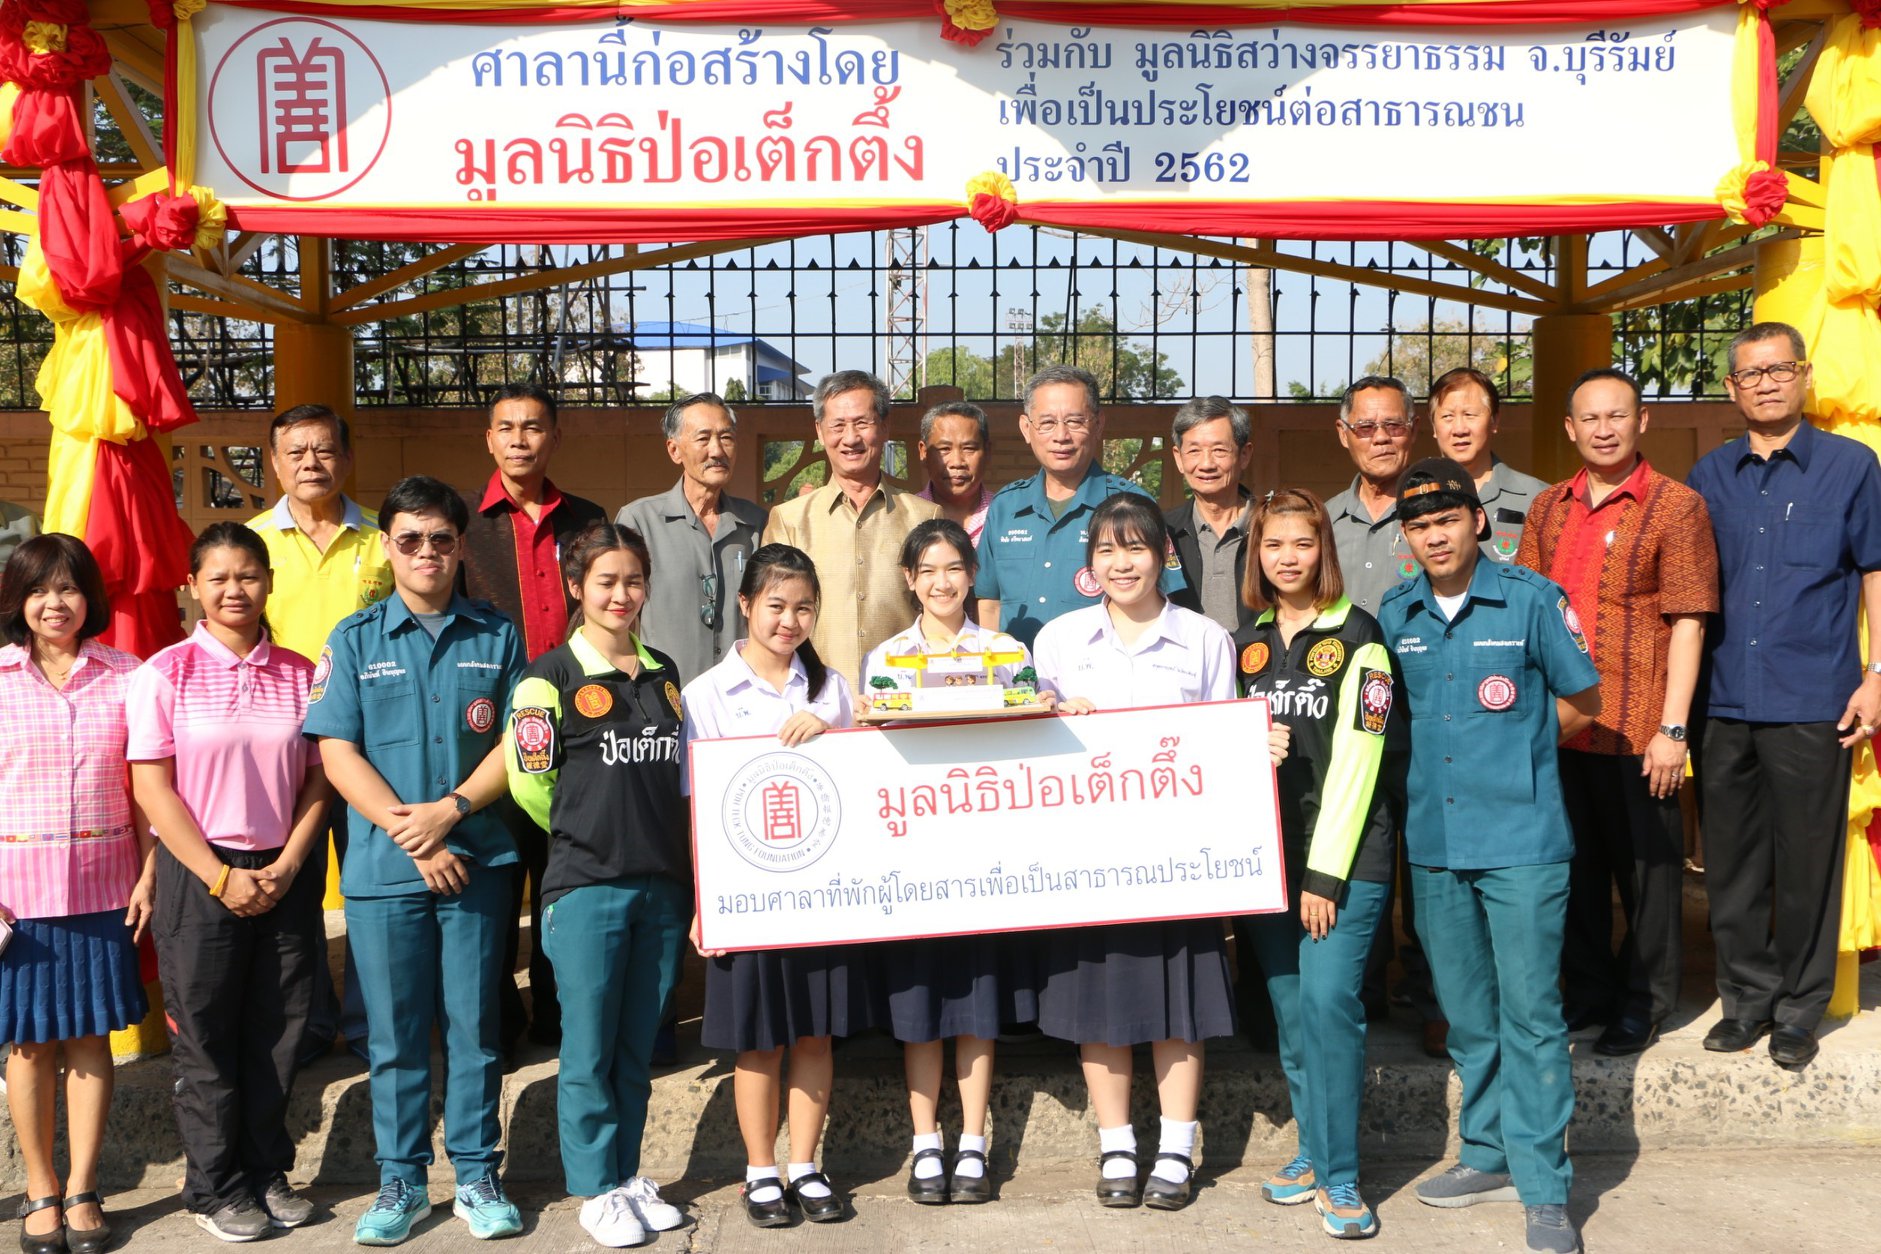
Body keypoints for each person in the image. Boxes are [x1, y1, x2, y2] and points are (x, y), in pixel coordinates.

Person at [1032, 494, 1284, 1213]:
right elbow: (1028, 745)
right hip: (1088, 860)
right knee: (1098, 1004)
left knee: (1180, 1005)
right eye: (1106, 550)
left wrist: (1254, 744)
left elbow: (1221, 738)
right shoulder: (1058, 641)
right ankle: (1116, 1145)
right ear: (1089, 562)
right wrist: (1050, 713)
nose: (1122, 564)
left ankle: (1176, 1147)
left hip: (1178, 858)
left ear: (1163, 555)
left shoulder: (1204, 638)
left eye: (1136, 547)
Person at [1376, 458, 1600, 1254]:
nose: (1434, 537)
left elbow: (1582, 701)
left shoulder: (1532, 600)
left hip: (1521, 843)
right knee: (1466, 1016)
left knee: (1531, 1015)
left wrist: (1517, 757)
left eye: (1446, 520)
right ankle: (1487, 1153)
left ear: (1476, 521)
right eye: (1418, 527)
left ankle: (1544, 1189)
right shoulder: (1396, 611)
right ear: (1406, 539)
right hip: (1435, 843)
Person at [303, 475, 529, 1245]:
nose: (426, 552)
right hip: (385, 870)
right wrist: (414, 834)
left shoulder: (496, 636)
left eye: (440, 539)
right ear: (388, 547)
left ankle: (476, 1174)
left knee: (475, 1028)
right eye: (410, 539)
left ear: (459, 546)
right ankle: (399, 1180)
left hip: (475, 860)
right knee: (395, 1037)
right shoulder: (354, 639)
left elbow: (517, 742)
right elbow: (337, 751)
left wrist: (450, 812)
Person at [127, 522, 332, 1242]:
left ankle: (266, 1170)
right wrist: (219, 876)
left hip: (284, 869)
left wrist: (289, 864)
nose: (233, 589)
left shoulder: (302, 672)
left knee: (279, 1030)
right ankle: (214, 1187)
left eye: (247, 575)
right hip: (199, 871)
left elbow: (318, 781)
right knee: (206, 1033)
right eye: (217, 577)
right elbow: (152, 788)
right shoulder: (165, 672)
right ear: (193, 587)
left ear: (269, 581)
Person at [1686, 321, 1881, 1069]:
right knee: (1731, 865)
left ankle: (1800, 1009)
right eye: (1750, 373)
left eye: (1778, 369)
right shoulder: (1708, 475)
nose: (1765, 383)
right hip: (1724, 698)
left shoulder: (1850, 466)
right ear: (1731, 388)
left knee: (1806, 864)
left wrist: (1876, 675)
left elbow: (1874, 569)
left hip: (1812, 697)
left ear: (1803, 375)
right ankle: (1745, 1001)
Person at [1518, 368, 1718, 1057]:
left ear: (1641, 422)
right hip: (1559, 728)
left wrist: (1673, 730)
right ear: (1569, 428)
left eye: (1616, 416)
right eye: (1589, 418)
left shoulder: (1677, 507)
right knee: (1573, 873)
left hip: (1639, 728)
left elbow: (1689, 623)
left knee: (1648, 880)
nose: (1603, 430)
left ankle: (1644, 1002)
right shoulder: (1548, 507)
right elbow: (1527, 611)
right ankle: (1589, 992)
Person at [506, 522, 690, 1248]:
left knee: (637, 1045)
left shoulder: (664, 671)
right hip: (586, 885)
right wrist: (593, 829)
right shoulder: (545, 678)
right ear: (576, 587)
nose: (622, 595)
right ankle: (593, 1189)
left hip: (662, 886)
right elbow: (532, 786)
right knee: (587, 1047)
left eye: (633, 581)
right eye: (606, 581)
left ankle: (627, 1174)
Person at [861, 518, 1051, 1207]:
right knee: (919, 1009)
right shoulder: (884, 661)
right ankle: (925, 1144)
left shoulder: (1006, 652)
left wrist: (1053, 710)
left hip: (984, 859)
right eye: (927, 571)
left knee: (975, 1006)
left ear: (972, 575)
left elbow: (1030, 747)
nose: (941, 582)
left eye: (953, 568)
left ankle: (972, 1143)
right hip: (916, 859)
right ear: (909, 581)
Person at [681, 544, 871, 1229]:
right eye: (776, 606)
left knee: (815, 1035)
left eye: (804, 608)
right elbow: (698, 807)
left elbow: (863, 781)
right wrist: (705, 903)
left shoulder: (831, 689)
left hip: (820, 895)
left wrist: (832, 731)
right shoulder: (705, 694)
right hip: (747, 899)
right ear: (744, 605)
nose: (790, 620)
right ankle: (760, 1171)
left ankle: (806, 1164)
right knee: (758, 1040)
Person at [1232, 489, 1395, 1241]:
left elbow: (1361, 760)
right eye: (1273, 545)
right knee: (1295, 1018)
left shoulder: (1361, 636)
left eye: (1302, 543)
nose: (1287, 557)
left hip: (1344, 861)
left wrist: (1324, 877)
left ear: (1322, 549)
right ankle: (1311, 1149)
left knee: (1330, 1009)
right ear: (1256, 555)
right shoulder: (1247, 644)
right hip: (1271, 859)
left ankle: (1340, 1176)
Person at [0, 534, 153, 1254]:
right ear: (17, 600)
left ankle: (85, 1187)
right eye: (38, 590)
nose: (53, 603)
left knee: (92, 1039)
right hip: (15, 899)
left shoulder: (129, 676)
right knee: (30, 1045)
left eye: (67, 588)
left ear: (90, 596)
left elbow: (149, 785)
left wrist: (151, 870)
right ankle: (41, 1190)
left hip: (105, 886)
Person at [461, 382, 609, 1051]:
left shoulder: (588, 519)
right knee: (493, 891)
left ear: (554, 436)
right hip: (492, 735)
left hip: (576, 731)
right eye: (507, 427)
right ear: (489, 439)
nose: (519, 439)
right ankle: (496, 1025)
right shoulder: (463, 521)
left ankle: (559, 1019)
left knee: (564, 888)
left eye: (533, 427)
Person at [249, 403, 392, 1066]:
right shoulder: (251, 544)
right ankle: (306, 1025)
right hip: (282, 752)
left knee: (368, 887)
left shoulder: (384, 540)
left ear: (347, 458)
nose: (311, 462)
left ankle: (368, 1027)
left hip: (368, 748)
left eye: (324, 449)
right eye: (296, 452)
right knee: (294, 892)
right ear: (275, 464)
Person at [1323, 375, 1439, 1049]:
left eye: (1392, 425)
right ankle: (1361, 991)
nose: (1379, 438)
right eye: (1364, 427)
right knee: (1356, 859)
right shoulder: (1323, 522)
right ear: (1343, 435)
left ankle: (1431, 995)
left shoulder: (1436, 513)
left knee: (1426, 866)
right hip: (1347, 731)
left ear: (1412, 431)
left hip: (1423, 719)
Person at [976, 366, 1186, 648]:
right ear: (1026, 429)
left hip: (1102, 671)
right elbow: (989, 604)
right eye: (1047, 423)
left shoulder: (1132, 506)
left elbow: (1164, 598)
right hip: (1018, 673)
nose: (1061, 436)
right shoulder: (1005, 507)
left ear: (1098, 424)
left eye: (1075, 421)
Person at [761, 371, 940, 687]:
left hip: (907, 694)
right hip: (814, 698)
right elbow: (771, 621)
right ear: (819, 431)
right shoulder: (789, 520)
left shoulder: (924, 517)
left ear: (884, 427)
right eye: (838, 425)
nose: (851, 438)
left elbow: (943, 613)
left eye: (862, 423)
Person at [617, 392, 768, 685]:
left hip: (742, 693)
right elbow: (618, 616)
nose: (717, 450)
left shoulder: (756, 523)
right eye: (703, 438)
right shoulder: (639, 521)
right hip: (664, 691)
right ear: (674, 450)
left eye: (726, 438)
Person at [1428, 368, 1547, 562]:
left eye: (1470, 414)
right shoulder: (1411, 497)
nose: (1459, 429)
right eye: (1447, 416)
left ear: (1494, 421)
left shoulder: (1540, 499)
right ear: (1434, 426)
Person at [1167, 396, 1257, 634]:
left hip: (1261, 655)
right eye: (1194, 451)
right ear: (1178, 458)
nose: (1206, 464)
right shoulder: (1163, 532)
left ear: (1244, 455)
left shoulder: (1272, 526)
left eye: (1219, 450)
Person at [914, 401, 995, 546]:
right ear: (924, 452)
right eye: (944, 449)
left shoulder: (1005, 514)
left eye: (969, 448)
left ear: (987, 452)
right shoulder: (907, 514)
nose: (957, 462)